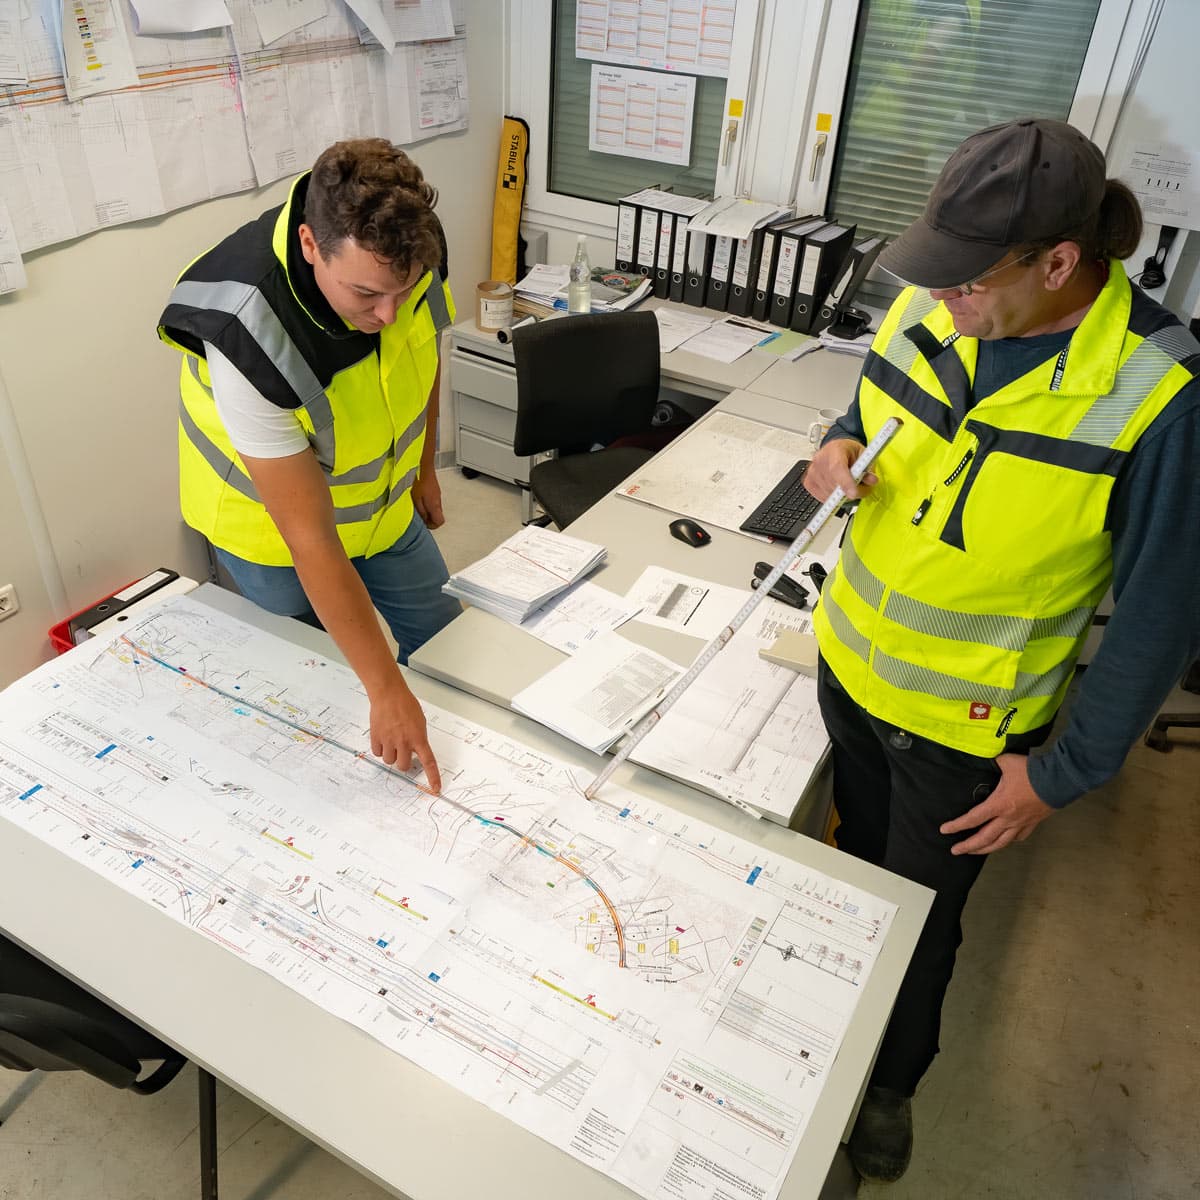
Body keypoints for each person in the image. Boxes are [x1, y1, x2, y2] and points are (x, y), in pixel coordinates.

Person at [804, 117, 1200, 1182]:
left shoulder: (1160, 394)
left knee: (923, 924)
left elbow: (1162, 614)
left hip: (963, 734)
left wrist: (1064, 775)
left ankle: (889, 1086)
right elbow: (862, 408)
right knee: (854, 866)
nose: (942, 299)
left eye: (969, 282)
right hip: (850, 669)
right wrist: (837, 447)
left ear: (1058, 263)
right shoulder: (933, 301)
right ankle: (828, 1034)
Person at [157, 139, 462, 793]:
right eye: (366, 294)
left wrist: (423, 468)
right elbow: (311, 540)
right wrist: (387, 690)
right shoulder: (246, 332)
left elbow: (422, 353)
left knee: (450, 641)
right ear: (309, 245)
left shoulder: (410, 252)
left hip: (380, 504)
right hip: (270, 533)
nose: (387, 315)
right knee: (322, 683)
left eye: (401, 292)